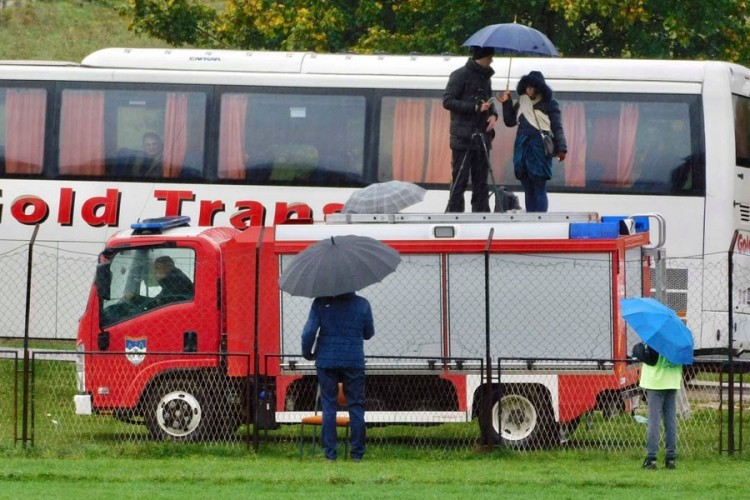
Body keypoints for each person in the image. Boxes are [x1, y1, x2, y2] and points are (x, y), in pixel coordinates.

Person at [301, 292, 374, 461]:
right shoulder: (362, 304)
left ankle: (330, 454)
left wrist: (307, 353)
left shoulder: (320, 302)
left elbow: (309, 332)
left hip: (327, 361)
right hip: (353, 360)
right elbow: (368, 333)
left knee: (328, 406)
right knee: (356, 406)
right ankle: (357, 454)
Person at [498, 71, 567, 212]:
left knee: (539, 186)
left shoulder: (550, 104)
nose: (529, 90)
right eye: (527, 87)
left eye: (532, 87)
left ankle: (540, 218)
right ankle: (530, 217)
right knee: (527, 187)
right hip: (522, 147)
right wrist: (507, 103)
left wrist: (562, 147)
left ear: (538, 88)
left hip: (539, 148)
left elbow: (557, 126)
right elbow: (510, 121)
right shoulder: (521, 102)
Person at [443, 45, 498, 213]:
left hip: (482, 136)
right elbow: (447, 101)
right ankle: (454, 215)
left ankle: (481, 214)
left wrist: (493, 115)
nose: (492, 60)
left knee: (481, 180)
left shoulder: (486, 78)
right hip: (463, 137)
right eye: (490, 57)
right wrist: (474, 108)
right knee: (460, 179)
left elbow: (489, 101)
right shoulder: (459, 75)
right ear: (482, 57)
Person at [639, 351, 683, 470]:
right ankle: (671, 458)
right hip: (672, 381)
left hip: (655, 382)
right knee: (670, 421)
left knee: (654, 421)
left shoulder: (655, 339)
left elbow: (649, 358)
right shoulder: (677, 339)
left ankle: (651, 458)